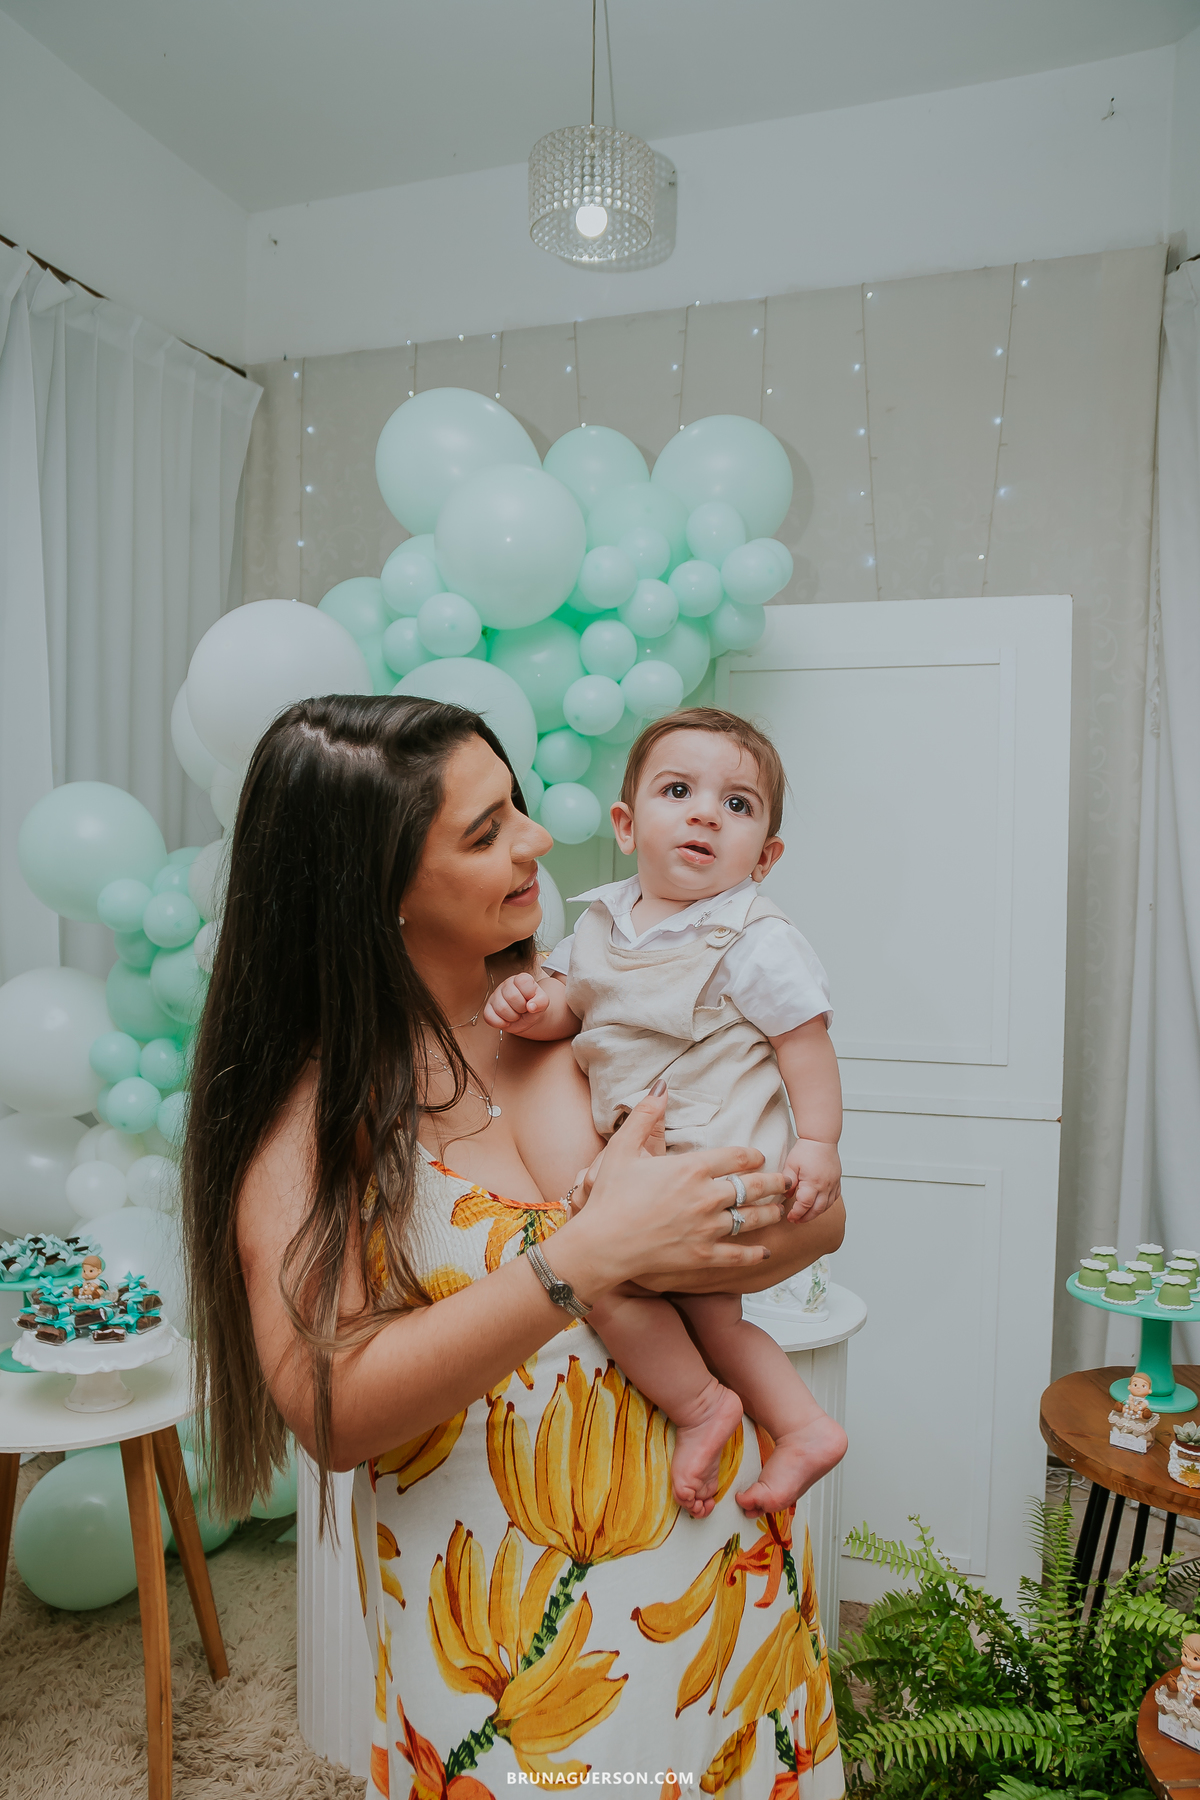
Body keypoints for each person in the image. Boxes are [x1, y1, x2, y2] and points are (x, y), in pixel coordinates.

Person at [183, 693, 846, 1798]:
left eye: (519, 809)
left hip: (725, 1562)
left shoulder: (583, 1018)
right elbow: (332, 1414)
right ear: (371, 892)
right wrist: (583, 1258)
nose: (538, 839)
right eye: (487, 832)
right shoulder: (313, 1124)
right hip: (518, 1655)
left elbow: (817, 1218)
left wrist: (742, 1212)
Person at [486, 710, 847, 1519]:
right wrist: (526, 1002)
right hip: (643, 1157)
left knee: (607, 1280)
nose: (705, 814)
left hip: (716, 1157)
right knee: (703, 1319)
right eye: (678, 791)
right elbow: (565, 1011)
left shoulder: (755, 937)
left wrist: (818, 1142)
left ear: (767, 856)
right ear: (625, 825)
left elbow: (805, 1042)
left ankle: (701, 1407)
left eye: (739, 805)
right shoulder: (599, 923)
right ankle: (799, 1424)